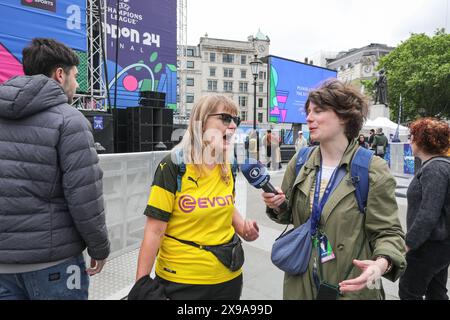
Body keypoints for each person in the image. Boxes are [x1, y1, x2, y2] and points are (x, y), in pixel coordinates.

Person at [262, 79, 406, 300]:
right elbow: (288, 215)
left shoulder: (372, 168)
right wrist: (277, 205)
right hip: (301, 283)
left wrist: (380, 264)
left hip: (351, 285)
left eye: (318, 111)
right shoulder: (301, 161)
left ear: (345, 117)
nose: (309, 118)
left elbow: (388, 232)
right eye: (308, 111)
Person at [0, 38, 110, 300]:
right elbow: (84, 197)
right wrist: (99, 247)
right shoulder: (70, 121)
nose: (78, 84)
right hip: (54, 265)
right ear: (60, 75)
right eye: (74, 76)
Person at [135, 95, 259, 300]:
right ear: (201, 122)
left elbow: (226, 206)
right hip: (181, 282)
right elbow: (154, 230)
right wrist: (140, 286)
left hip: (229, 279)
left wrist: (244, 228)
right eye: (225, 118)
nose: (233, 126)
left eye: (235, 121)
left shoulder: (228, 165)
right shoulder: (173, 166)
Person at [399, 118, 450, 300]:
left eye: (412, 137)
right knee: (436, 292)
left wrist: (409, 243)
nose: (409, 141)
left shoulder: (434, 169)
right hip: (440, 245)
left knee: (408, 291)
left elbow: (428, 213)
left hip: (427, 246)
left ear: (422, 140)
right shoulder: (441, 166)